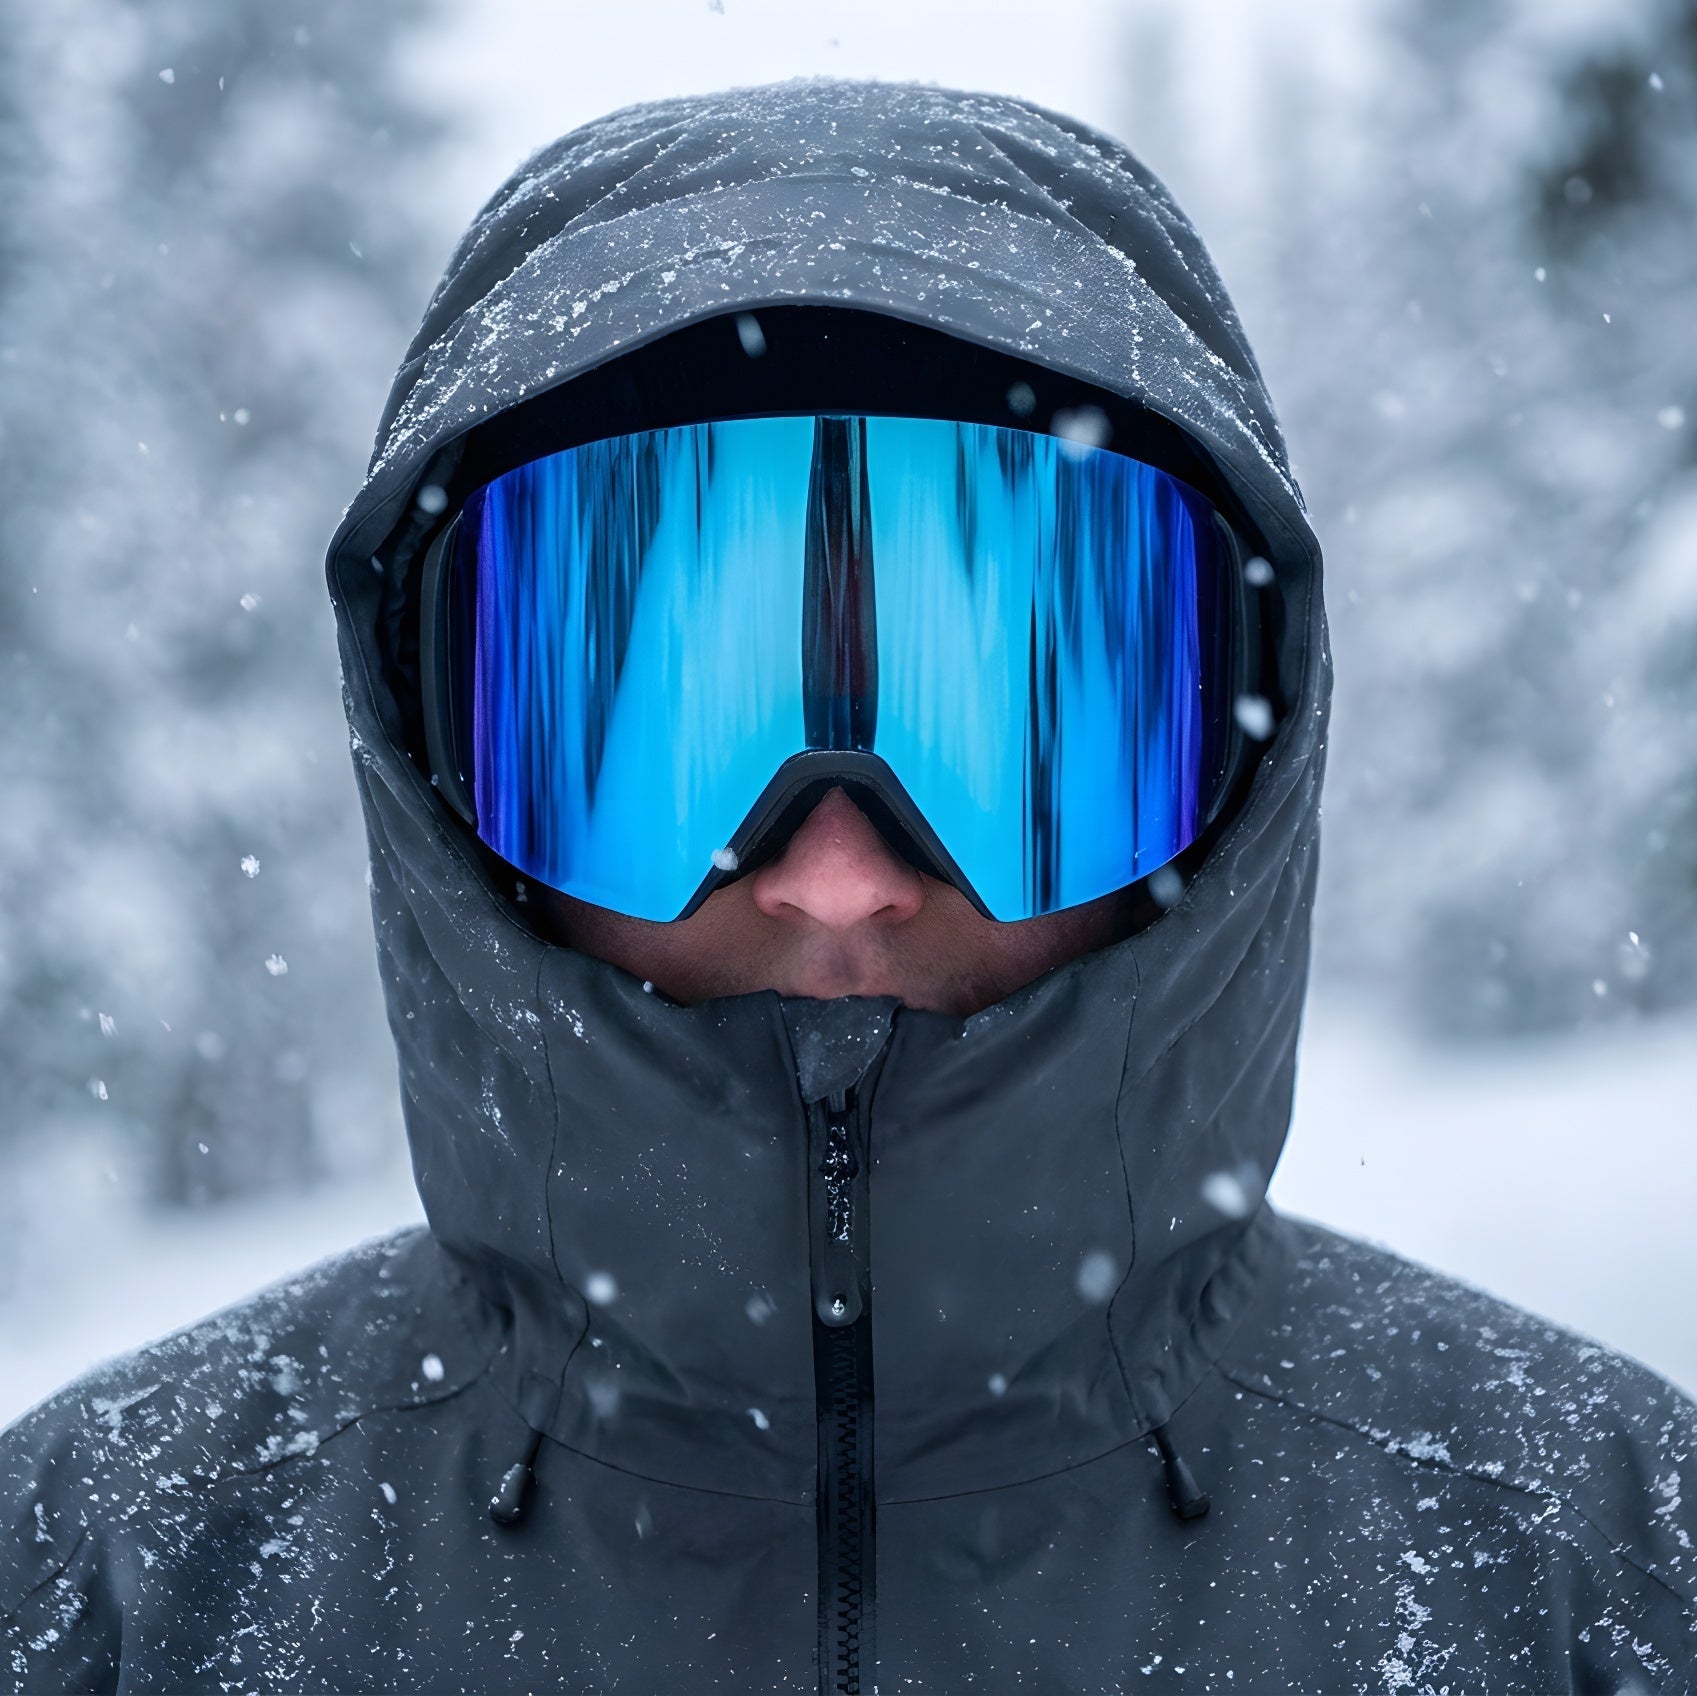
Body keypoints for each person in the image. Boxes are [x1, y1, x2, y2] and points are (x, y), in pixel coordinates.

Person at [4, 77, 1694, 1695]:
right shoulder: (106, 1590)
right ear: (434, 771)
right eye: (657, 716)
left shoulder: (1594, 1574)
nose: (833, 871)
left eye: (1015, 719)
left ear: (1233, 786)